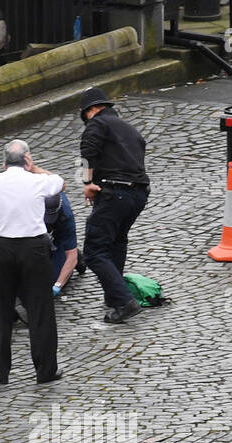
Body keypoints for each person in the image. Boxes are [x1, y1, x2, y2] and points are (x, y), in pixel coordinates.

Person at [0, 139, 63, 385]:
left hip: (2, 246)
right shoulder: (37, 180)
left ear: (4, 162)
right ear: (27, 159)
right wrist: (35, 168)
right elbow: (60, 182)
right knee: (40, 309)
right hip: (33, 246)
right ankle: (45, 370)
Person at [78, 87, 149, 325]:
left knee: (94, 251)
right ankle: (114, 294)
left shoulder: (97, 124)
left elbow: (88, 151)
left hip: (115, 192)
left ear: (91, 110)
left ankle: (124, 302)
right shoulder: (130, 129)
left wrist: (88, 182)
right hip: (138, 194)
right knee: (117, 241)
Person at [44, 192, 80, 296]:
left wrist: (57, 286)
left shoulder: (66, 215)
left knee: (54, 279)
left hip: (59, 234)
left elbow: (72, 256)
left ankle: (71, 250)